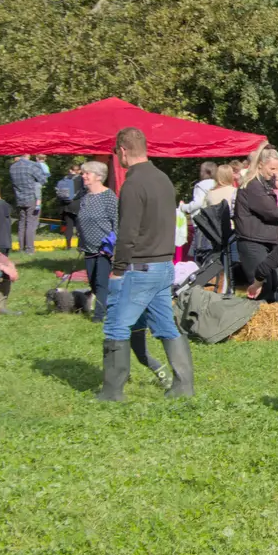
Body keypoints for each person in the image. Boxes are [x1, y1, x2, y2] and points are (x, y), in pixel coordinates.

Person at [97, 127, 193, 401]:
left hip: (139, 267)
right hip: (164, 266)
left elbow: (127, 232)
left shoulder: (132, 183)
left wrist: (117, 269)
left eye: (116, 153)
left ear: (123, 151)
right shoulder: (163, 178)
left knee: (116, 325)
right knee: (166, 326)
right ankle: (184, 386)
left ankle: (112, 392)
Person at [235, 147, 278, 285]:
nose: (274, 173)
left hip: (265, 239)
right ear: (261, 164)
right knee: (262, 286)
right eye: (272, 169)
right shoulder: (253, 186)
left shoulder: (264, 184)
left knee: (273, 284)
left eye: (276, 169)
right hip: (253, 241)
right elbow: (272, 212)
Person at [75, 161, 120, 318]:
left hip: (104, 248)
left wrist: (112, 245)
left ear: (99, 176)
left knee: (101, 282)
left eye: (87, 173)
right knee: (93, 281)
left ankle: (99, 316)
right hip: (88, 247)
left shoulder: (108, 197)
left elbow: (117, 221)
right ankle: (108, 305)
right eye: (83, 173)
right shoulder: (85, 197)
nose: (84, 176)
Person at [9, 155, 51, 253]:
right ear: (27, 154)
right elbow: (43, 180)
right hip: (32, 198)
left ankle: (21, 248)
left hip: (19, 198)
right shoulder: (31, 165)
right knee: (31, 223)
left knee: (22, 223)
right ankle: (29, 249)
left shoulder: (13, 167)